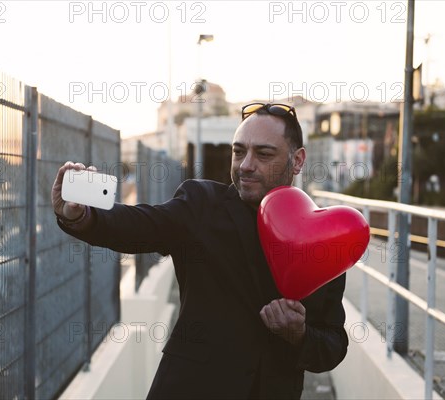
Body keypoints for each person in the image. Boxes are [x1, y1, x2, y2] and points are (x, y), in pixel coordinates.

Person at [51, 103, 348, 399]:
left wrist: (299, 334)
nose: (245, 164)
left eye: (263, 154)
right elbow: (141, 226)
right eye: (238, 151)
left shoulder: (323, 238)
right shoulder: (201, 203)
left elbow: (333, 344)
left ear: (297, 161)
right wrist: (82, 217)